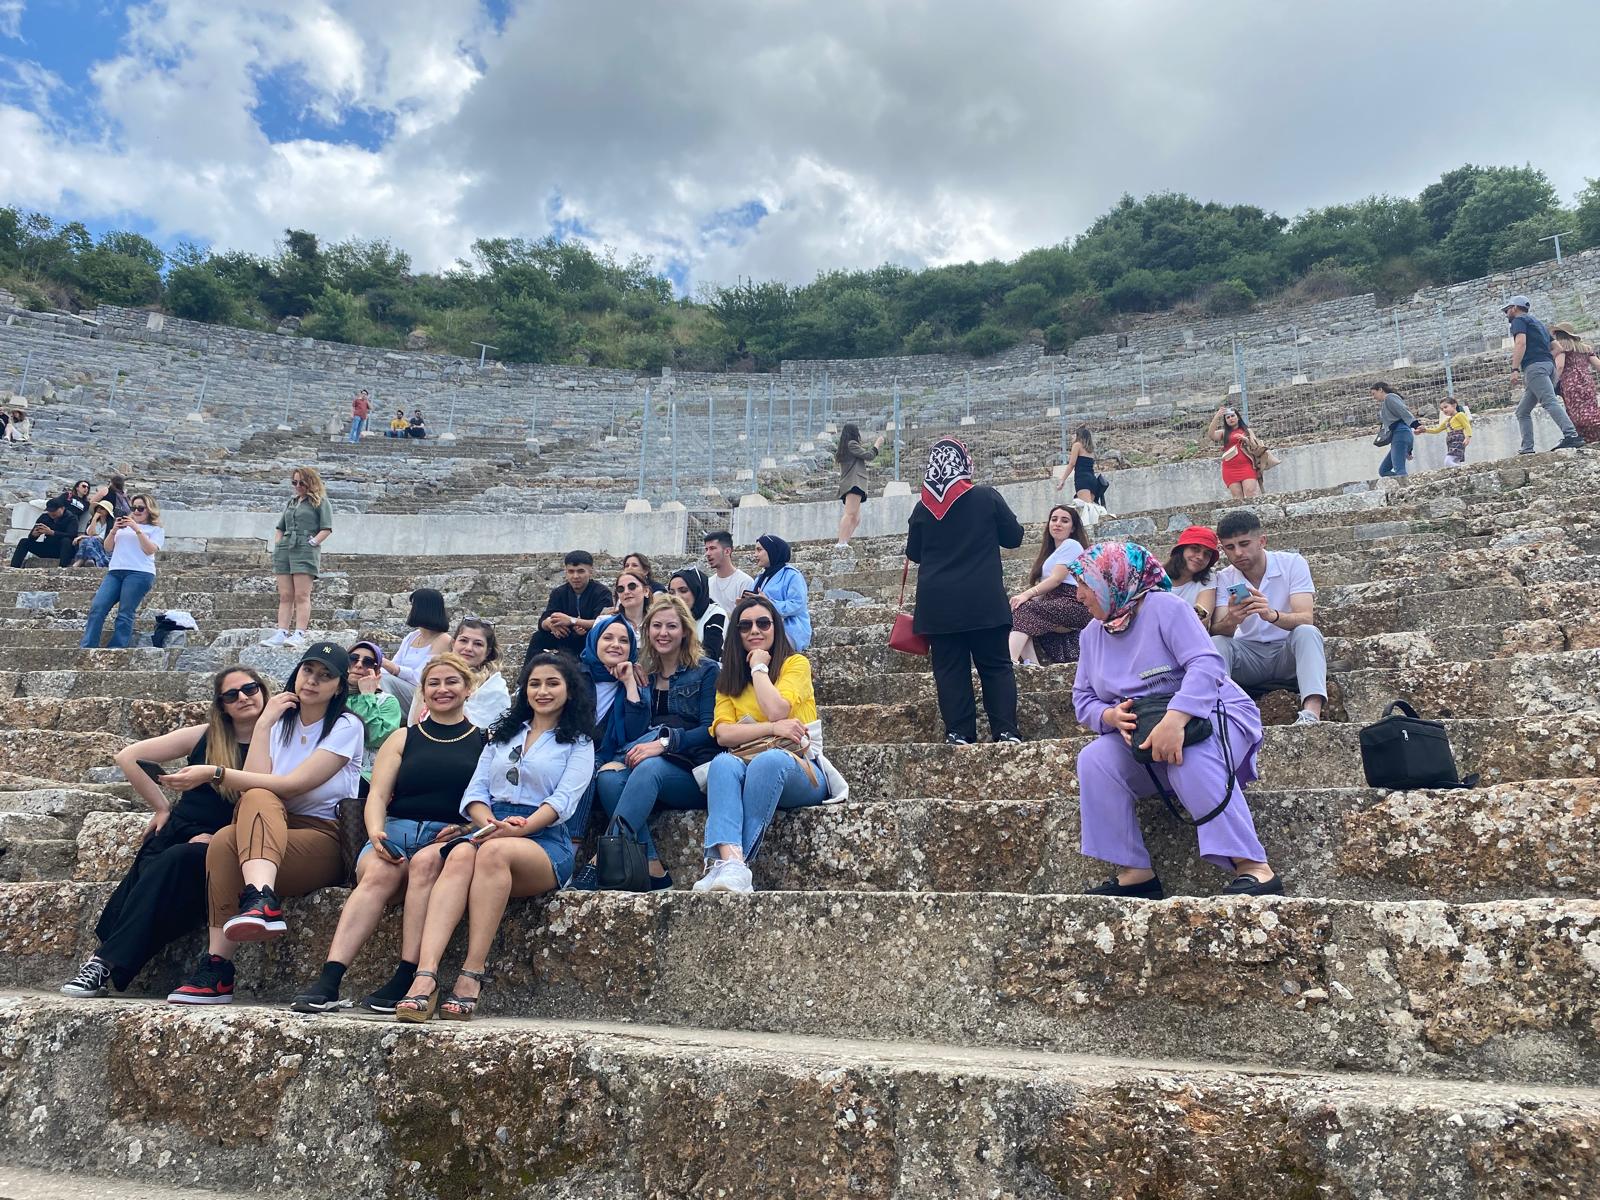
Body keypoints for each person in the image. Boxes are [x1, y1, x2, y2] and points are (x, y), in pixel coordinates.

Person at [1068, 542, 1280, 898]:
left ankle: (1253, 866)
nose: (1078, 595)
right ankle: (1136, 873)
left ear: (1113, 580)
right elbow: (1082, 698)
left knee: (1188, 757)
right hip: (1146, 730)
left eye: (1085, 584)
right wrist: (1110, 716)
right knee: (1094, 760)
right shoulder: (1092, 634)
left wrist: (1176, 718)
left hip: (1210, 712)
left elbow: (1207, 664)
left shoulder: (1165, 608)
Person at [395, 652, 595, 1021]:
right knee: (457, 854)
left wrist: (521, 827)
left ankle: (471, 974)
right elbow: (476, 790)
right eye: (535, 684)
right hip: (489, 826)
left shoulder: (579, 742)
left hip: (543, 837)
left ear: (569, 690)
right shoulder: (502, 734)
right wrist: (487, 823)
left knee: (492, 853)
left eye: (552, 683)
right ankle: (425, 975)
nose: (542, 691)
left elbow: (563, 801)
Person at [167, 642, 363, 1003]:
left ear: (339, 687)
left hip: (323, 837)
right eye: (308, 670)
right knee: (224, 838)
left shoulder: (346, 725)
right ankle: (217, 968)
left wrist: (215, 772)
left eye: (325, 676)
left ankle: (260, 897)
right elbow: (253, 784)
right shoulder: (277, 722)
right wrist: (263, 726)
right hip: (270, 832)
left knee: (258, 797)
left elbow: (294, 785)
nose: (313, 680)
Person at [289, 654, 484, 1014]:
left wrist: (468, 828)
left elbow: (487, 801)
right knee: (380, 873)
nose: (442, 689)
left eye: (451, 682)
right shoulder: (403, 738)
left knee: (426, 866)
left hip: (444, 837)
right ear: (423, 691)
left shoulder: (484, 741)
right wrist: (376, 833)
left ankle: (406, 975)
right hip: (394, 830)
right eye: (433, 683)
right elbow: (377, 795)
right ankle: (329, 979)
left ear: (468, 688)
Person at [59, 667, 269, 999]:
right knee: (153, 863)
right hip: (180, 829)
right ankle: (103, 962)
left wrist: (223, 838)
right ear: (222, 705)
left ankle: (103, 962)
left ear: (263, 690)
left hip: (224, 839)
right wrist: (161, 808)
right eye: (231, 695)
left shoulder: (277, 739)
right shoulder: (206, 735)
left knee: (176, 861)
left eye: (250, 689)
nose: (243, 697)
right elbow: (129, 756)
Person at [572, 594, 719, 891]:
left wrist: (664, 744)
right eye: (657, 626)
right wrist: (629, 683)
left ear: (685, 631)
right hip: (645, 769)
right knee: (608, 778)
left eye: (672, 626)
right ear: (647, 630)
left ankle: (602, 859)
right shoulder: (644, 674)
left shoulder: (706, 670)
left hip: (692, 771)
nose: (663, 633)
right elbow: (633, 731)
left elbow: (711, 730)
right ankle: (653, 867)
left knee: (649, 769)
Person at [693, 594, 831, 894]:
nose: (754, 630)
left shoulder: (796, 664)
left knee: (769, 761)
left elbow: (777, 709)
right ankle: (731, 863)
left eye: (763, 623)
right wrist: (772, 729)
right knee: (722, 763)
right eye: (745, 626)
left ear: (775, 627)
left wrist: (758, 668)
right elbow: (723, 735)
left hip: (802, 770)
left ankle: (734, 865)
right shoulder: (728, 680)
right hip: (747, 764)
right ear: (736, 634)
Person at [906, 437, 1024, 745]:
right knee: (996, 666)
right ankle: (1005, 731)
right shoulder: (986, 497)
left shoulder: (923, 507)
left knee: (949, 670)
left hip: (938, 605)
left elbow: (914, 553)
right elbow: (1014, 537)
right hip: (983, 601)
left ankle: (959, 732)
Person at [1211, 510, 1326, 727]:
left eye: (1244, 544)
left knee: (1307, 632)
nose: (1238, 553)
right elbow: (1218, 629)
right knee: (1217, 643)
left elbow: (1306, 617)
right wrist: (1232, 619)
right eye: (1230, 547)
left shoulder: (1292, 563)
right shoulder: (1225, 577)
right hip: (1247, 656)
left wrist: (1272, 615)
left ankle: (1311, 712)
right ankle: (1220, 713)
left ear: (1262, 541)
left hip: (1286, 652)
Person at [564, 613, 649, 838]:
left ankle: (571, 846)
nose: (616, 645)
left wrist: (629, 683)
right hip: (566, 749)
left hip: (606, 758)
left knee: (588, 767)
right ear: (594, 641)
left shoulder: (638, 680)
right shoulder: (572, 675)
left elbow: (634, 732)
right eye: (608, 638)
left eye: (624, 640)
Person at [1008, 504, 1091, 666]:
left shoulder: (1071, 545)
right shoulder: (1050, 554)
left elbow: (1056, 579)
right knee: (1019, 611)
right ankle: (1031, 665)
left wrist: (1026, 595)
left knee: (1024, 609)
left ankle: (1010, 661)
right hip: (1054, 601)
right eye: (1054, 519)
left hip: (1073, 601)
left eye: (1064, 521)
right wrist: (1023, 602)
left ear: (1073, 528)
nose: (1057, 523)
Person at [80, 494, 164, 649]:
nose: (136, 511)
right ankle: (88, 646)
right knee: (97, 607)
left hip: (139, 573)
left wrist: (137, 529)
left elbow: (149, 550)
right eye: (134, 508)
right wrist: (114, 530)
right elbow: (108, 548)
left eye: (141, 508)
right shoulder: (122, 527)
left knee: (125, 612)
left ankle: (117, 648)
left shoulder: (155, 529)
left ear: (149, 510)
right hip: (115, 571)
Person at [262, 467, 333, 650]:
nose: (298, 486)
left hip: (305, 548)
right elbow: (280, 527)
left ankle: (299, 633)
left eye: (302, 482)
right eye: (294, 482)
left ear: (310, 482)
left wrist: (313, 542)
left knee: (302, 594)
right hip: (285, 548)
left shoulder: (320, 501)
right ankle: (281, 632)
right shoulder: (292, 502)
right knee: (285, 595)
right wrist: (278, 544)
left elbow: (326, 528)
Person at [1504, 296, 1585, 453]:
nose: (1506, 313)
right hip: (1548, 367)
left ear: (1514, 308)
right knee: (1522, 411)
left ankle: (1571, 435)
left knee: (1549, 401)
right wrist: (1544, 358)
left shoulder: (1519, 321)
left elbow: (1520, 343)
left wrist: (1514, 369)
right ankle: (1527, 448)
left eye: (1507, 310)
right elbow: (1558, 348)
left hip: (1535, 368)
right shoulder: (1538, 323)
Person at [528, 550, 613, 658]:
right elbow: (544, 620)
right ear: (566, 572)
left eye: (581, 571)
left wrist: (572, 621)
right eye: (571, 571)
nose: (575, 576)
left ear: (591, 571)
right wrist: (550, 624)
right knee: (538, 637)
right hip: (566, 637)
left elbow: (603, 622)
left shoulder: (602, 593)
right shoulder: (559, 592)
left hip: (590, 638)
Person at [379, 588, 452, 712]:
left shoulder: (443, 640)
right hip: (401, 687)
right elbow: (395, 663)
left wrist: (390, 666)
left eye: (413, 606)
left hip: (420, 694)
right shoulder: (412, 636)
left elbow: (421, 677)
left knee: (384, 680)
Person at [345, 641, 404, 791]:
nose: (359, 665)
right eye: (353, 659)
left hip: (365, 776)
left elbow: (375, 737)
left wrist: (367, 696)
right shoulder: (331, 696)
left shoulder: (387, 701)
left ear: (376, 671)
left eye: (368, 662)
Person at [751, 534, 812, 652]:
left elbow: (797, 604)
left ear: (772, 551)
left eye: (759, 550)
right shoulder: (760, 578)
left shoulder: (792, 575)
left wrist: (769, 604)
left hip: (790, 629)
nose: (755, 554)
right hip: (763, 627)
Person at [450, 617, 511, 728]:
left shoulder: (494, 688)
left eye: (478, 644)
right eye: (463, 641)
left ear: (487, 651)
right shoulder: (434, 676)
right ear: (453, 643)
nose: (468, 648)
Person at [835, 423, 884, 547]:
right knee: (850, 514)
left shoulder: (846, 447)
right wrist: (877, 444)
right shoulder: (851, 444)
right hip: (854, 483)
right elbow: (869, 456)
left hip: (852, 483)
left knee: (856, 518)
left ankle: (844, 542)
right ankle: (841, 543)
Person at [1552, 322, 1600, 445]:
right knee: (1591, 408)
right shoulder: (1585, 348)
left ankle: (1584, 439)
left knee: (1576, 413)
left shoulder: (1561, 347)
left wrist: (1552, 384)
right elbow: (1598, 365)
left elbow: (1560, 366)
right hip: (1587, 382)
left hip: (1570, 384)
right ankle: (1595, 437)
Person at [1165, 526, 1221, 626]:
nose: (1200, 557)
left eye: (1207, 554)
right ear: (1181, 550)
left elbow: (1202, 617)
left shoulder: (1208, 579)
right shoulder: (1156, 576)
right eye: (1195, 549)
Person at [668, 567, 727, 661]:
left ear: (697, 591)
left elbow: (710, 655)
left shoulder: (715, 615)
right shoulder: (671, 616)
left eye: (683, 590)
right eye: (672, 593)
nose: (677, 597)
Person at [1207, 406, 1262, 499]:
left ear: (1238, 417)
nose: (1230, 419)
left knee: (1251, 492)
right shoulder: (1224, 432)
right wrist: (1216, 417)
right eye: (1228, 417)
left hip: (1247, 466)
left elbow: (1256, 446)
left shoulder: (1247, 431)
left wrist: (1246, 440)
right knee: (1237, 497)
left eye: (1232, 416)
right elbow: (1211, 435)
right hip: (1230, 468)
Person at [9, 494, 78, 568]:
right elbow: (31, 538)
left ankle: (62, 567)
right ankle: (14, 567)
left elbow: (72, 535)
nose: (51, 513)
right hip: (48, 547)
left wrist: (52, 533)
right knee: (24, 542)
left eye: (54, 511)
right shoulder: (44, 517)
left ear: (62, 508)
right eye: (49, 511)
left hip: (64, 550)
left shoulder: (71, 518)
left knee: (66, 541)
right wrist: (34, 535)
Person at [1371, 383, 1422, 481]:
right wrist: (1408, 449)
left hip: (1400, 435)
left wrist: (1416, 425)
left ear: (1380, 390)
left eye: (1374, 393)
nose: (1373, 397)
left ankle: (1407, 486)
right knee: (1383, 471)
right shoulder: (1387, 401)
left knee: (1399, 469)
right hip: (1400, 436)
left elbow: (1403, 412)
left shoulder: (1390, 397)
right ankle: (1405, 483)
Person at [703, 531, 754, 614]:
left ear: (727, 551)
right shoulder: (708, 584)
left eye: (712, 548)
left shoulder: (745, 582)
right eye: (706, 549)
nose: (707, 554)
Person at [1419, 397, 1474, 467]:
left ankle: (1464, 469)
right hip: (1450, 442)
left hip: (1458, 440)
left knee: (1448, 462)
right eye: (1442, 409)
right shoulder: (1447, 420)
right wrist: (1425, 430)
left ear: (1454, 405)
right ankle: (1460, 470)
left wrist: (1468, 437)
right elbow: (1437, 430)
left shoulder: (1460, 415)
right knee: (1455, 461)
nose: (1444, 410)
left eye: (1445, 407)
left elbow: (1467, 426)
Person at [1054, 424, 1098, 502]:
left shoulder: (1077, 445)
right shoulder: (1090, 450)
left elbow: (1072, 464)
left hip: (1082, 479)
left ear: (1079, 436)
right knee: (1090, 507)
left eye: (1075, 434)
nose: (1072, 436)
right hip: (1092, 479)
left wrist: (1062, 480)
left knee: (1086, 507)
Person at [70, 502, 116, 569]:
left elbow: (100, 538)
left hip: (103, 548)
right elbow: (91, 533)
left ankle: (80, 560)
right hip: (92, 544)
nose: (99, 510)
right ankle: (90, 559)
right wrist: (94, 519)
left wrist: (82, 536)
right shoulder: (94, 522)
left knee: (89, 540)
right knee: (89, 540)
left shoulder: (111, 524)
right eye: (98, 508)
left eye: (102, 508)